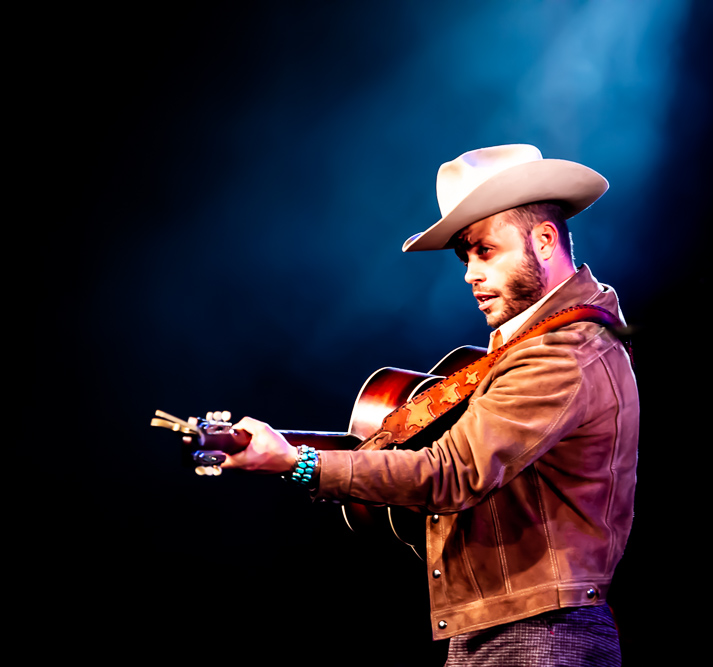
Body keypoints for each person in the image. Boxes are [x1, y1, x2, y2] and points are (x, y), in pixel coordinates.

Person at [199, 144, 639, 665]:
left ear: (543, 240)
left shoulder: (562, 354)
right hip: (515, 624)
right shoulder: (538, 346)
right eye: (465, 256)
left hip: (542, 632)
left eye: (486, 251)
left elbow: (451, 473)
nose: (470, 274)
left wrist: (299, 463)